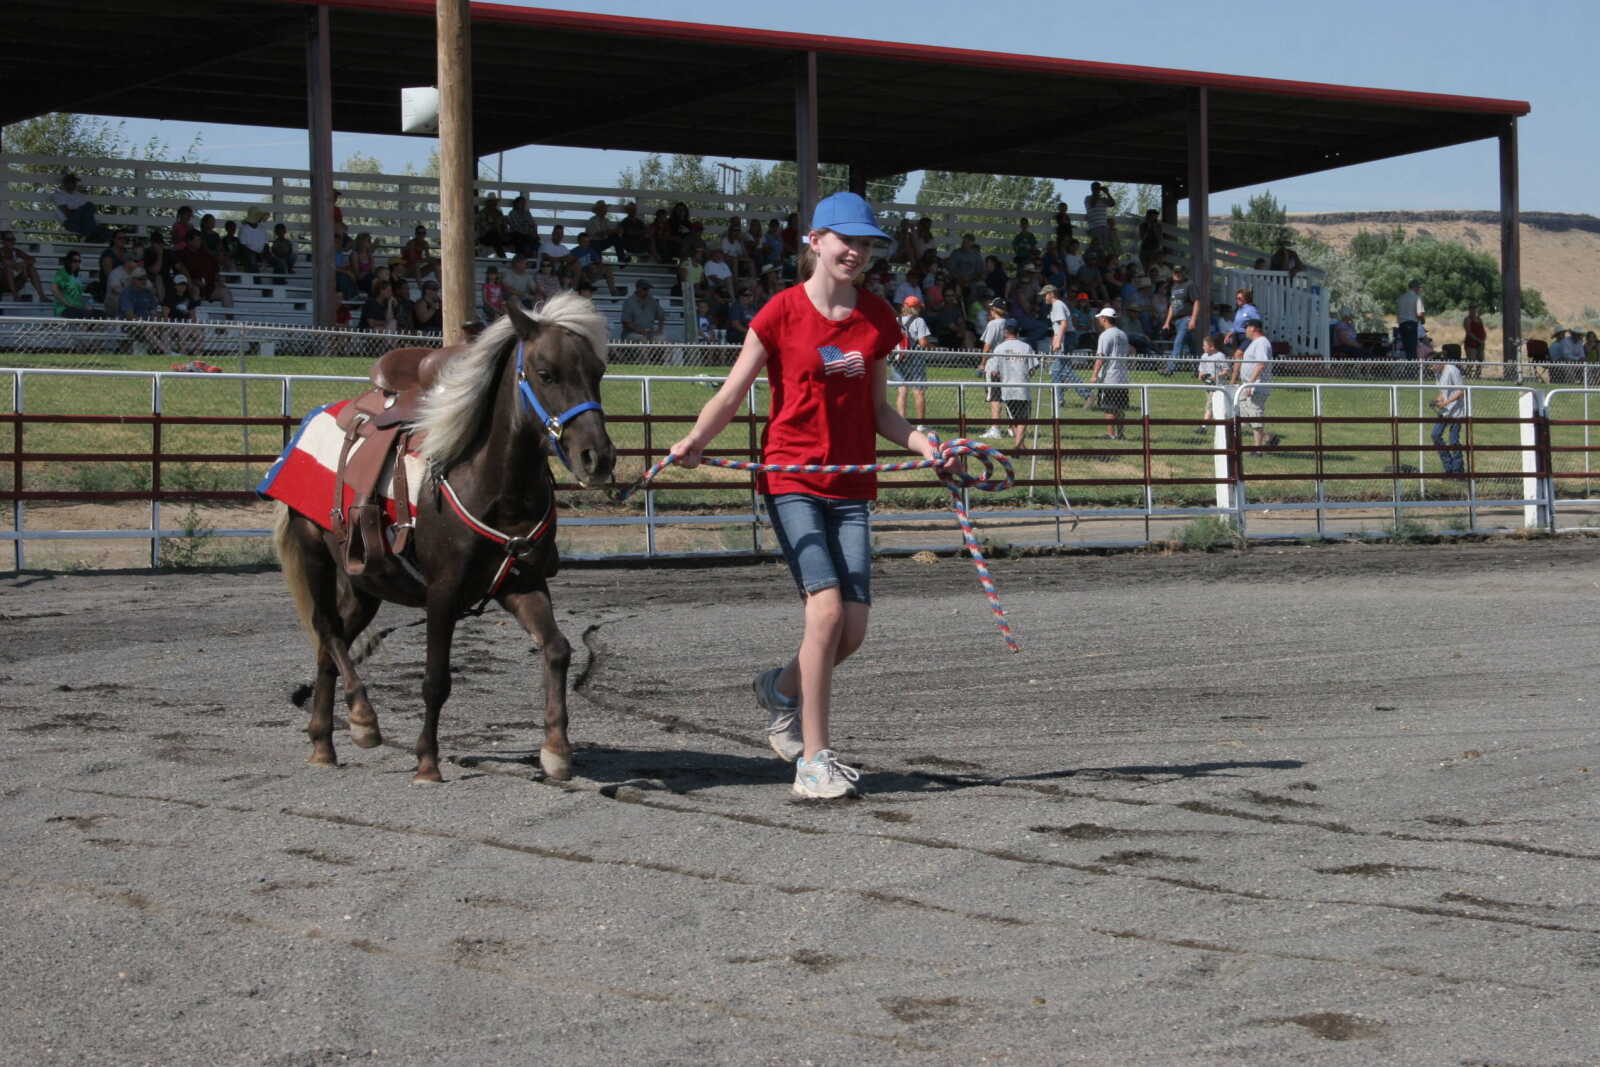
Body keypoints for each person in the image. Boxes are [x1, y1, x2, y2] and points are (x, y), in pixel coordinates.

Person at [668, 191, 943, 800]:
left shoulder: (877, 318)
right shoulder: (780, 313)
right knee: (825, 614)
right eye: (846, 239)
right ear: (815, 241)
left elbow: (879, 411)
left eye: (866, 243)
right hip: (792, 479)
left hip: (851, 485)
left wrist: (923, 442)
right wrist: (695, 440)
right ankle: (814, 761)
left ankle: (780, 689)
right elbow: (732, 392)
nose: (856, 251)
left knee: (852, 631)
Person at [1232, 318, 1279, 453]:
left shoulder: (1261, 342)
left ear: (1253, 328)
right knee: (1243, 416)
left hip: (1257, 387)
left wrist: (1250, 384)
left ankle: (1257, 450)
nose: (1245, 331)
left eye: (1246, 328)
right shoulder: (1254, 343)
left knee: (1255, 416)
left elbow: (1261, 364)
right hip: (1248, 386)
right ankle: (1269, 438)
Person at [989, 319, 1038, 449]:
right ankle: (1018, 446)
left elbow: (994, 372)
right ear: (1018, 331)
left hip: (1007, 389)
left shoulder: (999, 348)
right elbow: (1032, 369)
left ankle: (1020, 446)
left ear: (1005, 331)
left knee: (1014, 418)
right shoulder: (1026, 347)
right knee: (1023, 419)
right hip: (1022, 388)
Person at [1042, 284, 1090, 403]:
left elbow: (1063, 324)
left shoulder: (1057, 305)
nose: (1044, 297)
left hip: (1066, 337)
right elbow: (1058, 327)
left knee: (1060, 369)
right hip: (1065, 336)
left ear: (1051, 294)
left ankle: (1087, 395)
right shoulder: (1057, 305)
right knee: (1058, 369)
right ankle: (1059, 399)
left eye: (1045, 295)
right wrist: (1055, 340)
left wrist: (1058, 341)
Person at [1090, 306, 1131, 439]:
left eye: (1100, 318)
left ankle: (1111, 434)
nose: (1098, 320)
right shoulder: (1123, 334)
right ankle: (1121, 433)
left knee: (1109, 407)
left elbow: (1101, 357)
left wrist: (1094, 375)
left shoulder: (1105, 335)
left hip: (1110, 376)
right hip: (1122, 376)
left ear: (1104, 319)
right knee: (1119, 407)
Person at [893, 294, 932, 422]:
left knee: (902, 391)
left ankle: (901, 422)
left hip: (898, 358)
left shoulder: (896, 320)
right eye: (919, 307)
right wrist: (930, 346)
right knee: (918, 391)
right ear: (915, 308)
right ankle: (920, 423)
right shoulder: (919, 321)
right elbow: (923, 343)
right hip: (915, 359)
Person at [1428, 349, 1466, 474]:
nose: (1431, 368)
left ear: (1438, 363)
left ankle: (1458, 470)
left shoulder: (1452, 370)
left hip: (1456, 411)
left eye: (1432, 365)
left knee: (1453, 440)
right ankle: (1449, 468)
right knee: (1435, 435)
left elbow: (1461, 392)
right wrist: (1437, 400)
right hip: (1444, 411)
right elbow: (1442, 392)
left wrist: (1446, 402)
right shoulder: (1437, 373)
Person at [978, 296, 1010, 438]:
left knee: (995, 397)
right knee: (1008, 396)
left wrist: (982, 362)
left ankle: (995, 428)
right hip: (1008, 364)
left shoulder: (993, 324)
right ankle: (1012, 427)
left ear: (994, 310)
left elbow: (987, 345)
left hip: (994, 364)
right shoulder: (1009, 323)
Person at [1161, 264, 1202, 376]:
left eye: (1179, 272)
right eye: (1175, 272)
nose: (1177, 274)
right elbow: (1172, 305)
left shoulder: (1190, 284)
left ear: (1184, 273)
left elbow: (1196, 302)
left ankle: (1170, 369)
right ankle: (1199, 369)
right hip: (1177, 321)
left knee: (1178, 342)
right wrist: (1167, 322)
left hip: (1186, 318)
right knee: (1192, 346)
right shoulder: (1173, 287)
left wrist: (1193, 319)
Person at [178, 231, 233, 307]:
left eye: (200, 240)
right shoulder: (182, 255)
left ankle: (229, 315)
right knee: (195, 290)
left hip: (208, 288)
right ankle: (195, 313)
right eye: (197, 240)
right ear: (189, 241)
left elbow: (215, 269)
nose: (200, 242)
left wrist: (218, 280)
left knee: (225, 292)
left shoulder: (206, 254)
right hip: (190, 287)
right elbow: (180, 273)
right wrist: (193, 281)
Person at [52, 172, 111, 241]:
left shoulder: (80, 196)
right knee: (89, 206)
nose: (74, 184)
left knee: (106, 231)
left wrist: (82, 213)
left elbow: (88, 213)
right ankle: (90, 234)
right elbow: (67, 212)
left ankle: (89, 235)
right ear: (65, 183)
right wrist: (81, 212)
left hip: (82, 224)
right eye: (71, 182)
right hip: (70, 222)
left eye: (75, 182)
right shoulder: (59, 195)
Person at [0, 231, 46, 302]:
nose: (12, 242)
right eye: (9, 240)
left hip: (15, 283)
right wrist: (18, 265)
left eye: (13, 239)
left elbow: (32, 259)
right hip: (3, 285)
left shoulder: (16, 251)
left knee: (31, 268)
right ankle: (15, 296)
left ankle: (42, 296)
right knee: (8, 268)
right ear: (3, 241)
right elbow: (6, 263)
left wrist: (24, 263)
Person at [1223, 287, 1261, 364]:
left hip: (1246, 336)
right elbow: (1235, 325)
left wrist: (1249, 327)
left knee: (1238, 355)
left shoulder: (1251, 309)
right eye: (1236, 298)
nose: (1237, 300)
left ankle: (1235, 372)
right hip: (1237, 336)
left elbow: (1257, 322)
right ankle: (1239, 371)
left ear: (1246, 298)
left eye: (1239, 298)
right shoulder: (1239, 310)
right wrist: (1229, 334)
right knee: (1238, 357)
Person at [53, 252, 94, 318]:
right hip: (65, 309)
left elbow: (77, 294)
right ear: (68, 261)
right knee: (85, 315)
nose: (77, 263)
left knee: (100, 314)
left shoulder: (76, 276)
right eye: (75, 261)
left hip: (78, 307)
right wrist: (67, 304)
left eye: (79, 261)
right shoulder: (63, 273)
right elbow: (54, 289)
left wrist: (86, 305)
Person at [1397, 278, 1424, 360]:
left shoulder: (1401, 297)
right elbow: (1419, 314)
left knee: (1406, 349)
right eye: (1419, 288)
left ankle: (1408, 365)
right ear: (1415, 287)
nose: (1419, 289)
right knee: (1412, 350)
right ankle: (1413, 367)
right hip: (1411, 325)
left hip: (1402, 325)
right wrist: (1423, 320)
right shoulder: (1417, 297)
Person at [1462, 304, 1487, 379]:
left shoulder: (1479, 319)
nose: (1474, 311)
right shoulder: (1467, 319)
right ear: (1469, 310)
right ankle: (1468, 375)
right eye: (1472, 309)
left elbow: (1482, 330)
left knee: (1480, 359)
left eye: (1475, 309)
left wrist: (1483, 339)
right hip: (1471, 343)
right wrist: (1478, 340)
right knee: (1471, 360)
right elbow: (1469, 332)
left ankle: (1477, 375)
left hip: (1480, 343)